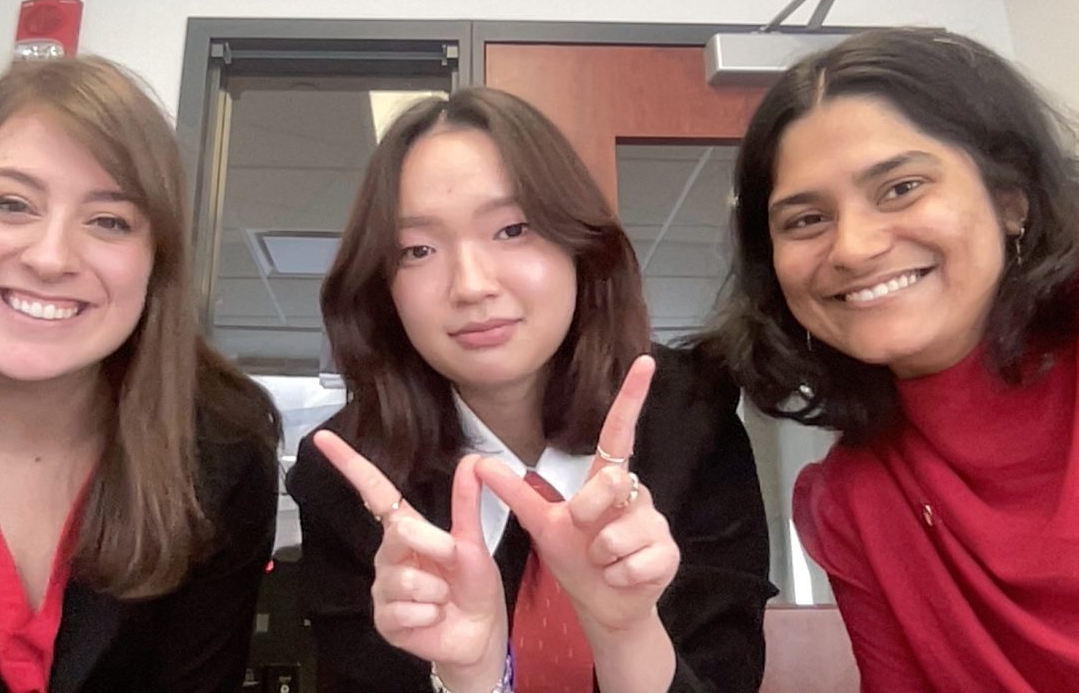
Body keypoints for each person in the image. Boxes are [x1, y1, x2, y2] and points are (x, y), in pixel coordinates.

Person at [286, 87, 774, 692]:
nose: (470, 284)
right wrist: (467, 676)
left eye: (512, 229)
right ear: (382, 287)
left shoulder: (690, 420)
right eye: (418, 249)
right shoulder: (349, 474)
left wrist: (624, 634)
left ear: (581, 245)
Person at [0, 57, 281, 692]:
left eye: (109, 221)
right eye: (12, 204)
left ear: (157, 269)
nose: (50, 257)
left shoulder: (223, 452)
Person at [708, 26, 1079, 691]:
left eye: (902, 187)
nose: (852, 248)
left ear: (1010, 200)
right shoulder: (850, 500)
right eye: (805, 220)